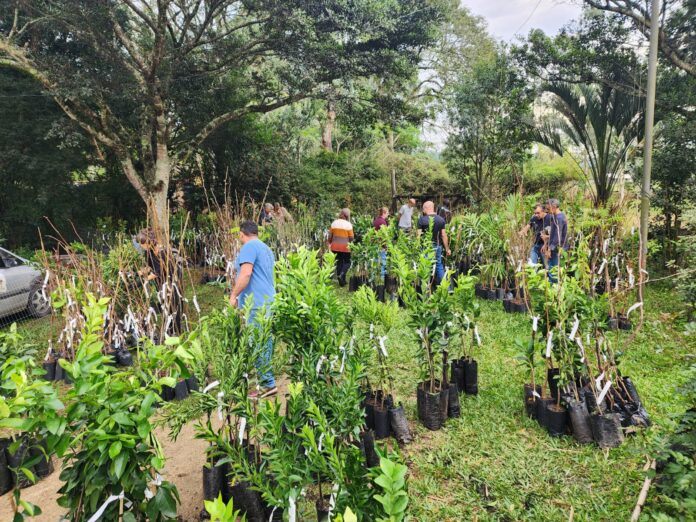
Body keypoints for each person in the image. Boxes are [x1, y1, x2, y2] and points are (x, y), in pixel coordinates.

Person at [229, 221, 277, 398]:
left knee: (257, 342)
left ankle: (267, 384)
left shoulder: (248, 247)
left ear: (242, 234)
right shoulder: (266, 248)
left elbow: (246, 273)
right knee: (265, 340)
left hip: (256, 302)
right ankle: (267, 381)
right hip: (268, 299)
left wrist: (234, 295)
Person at [136, 228, 183, 335]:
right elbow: (150, 267)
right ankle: (168, 330)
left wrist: (145, 279)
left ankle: (176, 331)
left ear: (149, 242)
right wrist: (139, 272)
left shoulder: (162, 253)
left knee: (173, 306)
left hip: (171, 282)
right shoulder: (149, 252)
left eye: (142, 243)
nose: (141, 246)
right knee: (165, 306)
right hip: (161, 283)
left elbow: (157, 272)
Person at [417, 201, 451, 285]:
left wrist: (417, 248)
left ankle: (425, 288)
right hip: (437, 246)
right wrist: (447, 249)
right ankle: (445, 287)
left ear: (426, 208)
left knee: (426, 266)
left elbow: (418, 235)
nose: (423, 211)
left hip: (426, 248)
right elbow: (443, 235)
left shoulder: (422, 219)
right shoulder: (441, 219)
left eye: (423, 209)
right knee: (439, 265)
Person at [542, 198, 568, 283]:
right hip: (555, 247)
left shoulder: (559, 218)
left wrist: (550, 249)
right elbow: (554, 234)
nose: (548, 211)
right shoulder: (557, 216)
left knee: (554, 270)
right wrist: (546, 241)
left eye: (548, 208)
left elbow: (557, 236)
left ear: (554, 207)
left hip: (557, 248)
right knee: (553, 269)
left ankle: (554, 288)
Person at [328, 208, 354, 287]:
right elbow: (351, 237)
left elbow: (330, 236)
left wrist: (329, 242)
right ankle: (342, 274)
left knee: (339, 262)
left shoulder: (334, 223)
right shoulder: (348, 225)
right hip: (345, 247)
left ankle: (342, 282)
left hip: (335, 246)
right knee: (347, 262)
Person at [373, 207, 389, 276]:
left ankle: (374, 275)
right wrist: (385, 246)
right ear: (384, 213)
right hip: (381, 245)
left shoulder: (376, 220)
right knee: (383, 261)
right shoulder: (382, 222)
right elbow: (384, 235)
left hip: (375, 244)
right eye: (387, 213)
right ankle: (383, 276)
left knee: (376, 260)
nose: (388, 214)